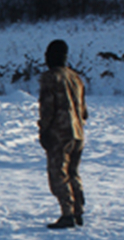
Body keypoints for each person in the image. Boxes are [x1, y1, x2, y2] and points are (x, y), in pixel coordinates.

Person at [38, 39, 88, 229]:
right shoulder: (76, 78)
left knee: (58, 174)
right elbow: (84, 111)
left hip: (59, 133)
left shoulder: (51, 77)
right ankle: (78, 210)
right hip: (78, 133)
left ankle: (67, 214)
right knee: (73, 172)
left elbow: (47, 108)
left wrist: (44, 130)